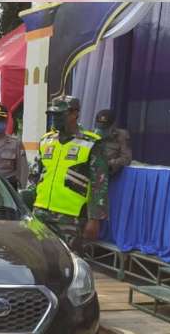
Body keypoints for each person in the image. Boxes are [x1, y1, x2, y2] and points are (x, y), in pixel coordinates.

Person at [25, 98, 109, 252]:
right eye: (52, 114)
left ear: (75, 114)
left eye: (60, 114)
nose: (55, 118)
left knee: (69, 262)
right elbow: (34, 176)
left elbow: (99, 185)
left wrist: (95, 219)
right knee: (38, 259)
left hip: (71, 218)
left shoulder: (91, 144)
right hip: (41, 213)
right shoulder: (46, 141)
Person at [93, 109, 132, 175]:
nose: (101, 129)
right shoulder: (92, 135)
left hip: (111, 173)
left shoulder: (121, 135)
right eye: (99, 126)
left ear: (113, 125)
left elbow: (126, 158)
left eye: (104, 127)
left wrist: (109, 164)